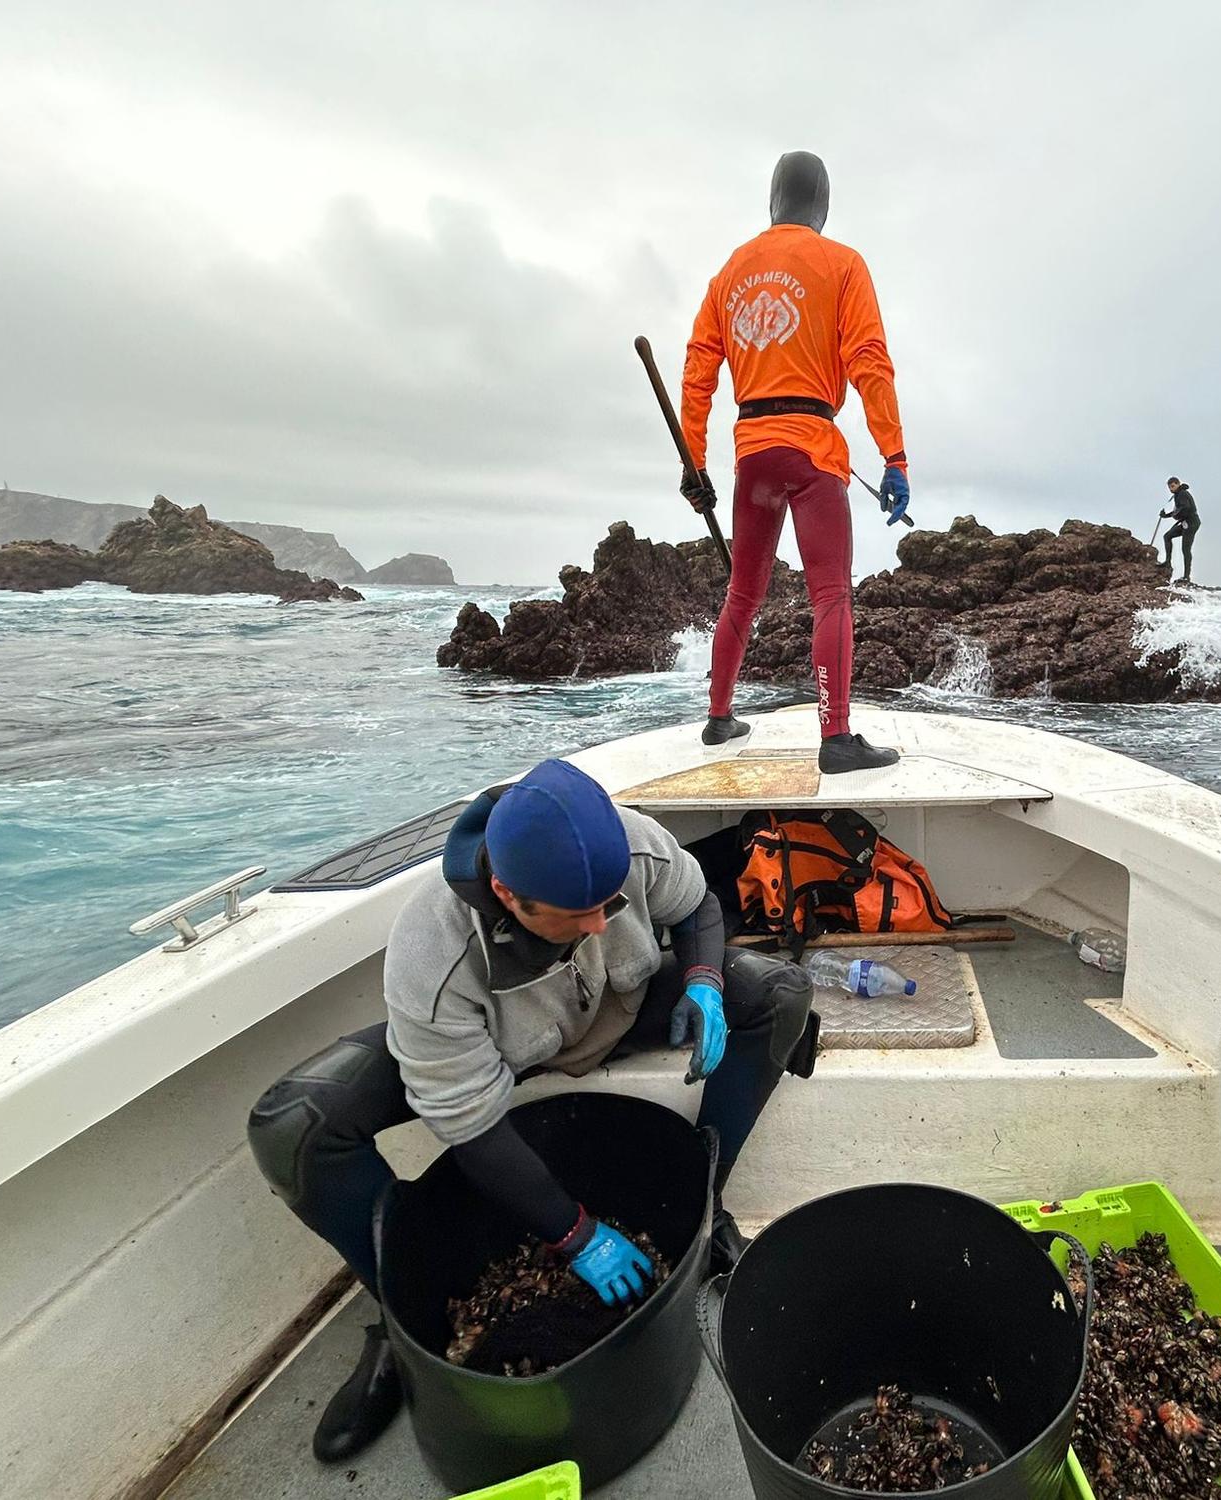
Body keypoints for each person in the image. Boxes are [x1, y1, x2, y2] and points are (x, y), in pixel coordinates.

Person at [246, 759, 815, 1462]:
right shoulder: (432, 954)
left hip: (614, 1006)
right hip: (497, 1050)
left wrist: (702, 981)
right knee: (295, 1126)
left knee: (780, 992)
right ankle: (402, 1328)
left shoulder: (629, 843)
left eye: (611, 906)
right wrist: (575, 1234)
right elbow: (470, 1124)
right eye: (577, 919)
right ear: (509, 894)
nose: (602, 927)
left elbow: (695, 905)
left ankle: (705, 1209)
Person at [679, 150, 909, 775]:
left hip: (753, 454)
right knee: (830, 594)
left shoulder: (732, 269)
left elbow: (699, 368)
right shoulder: (842, 263)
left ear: (773, 201)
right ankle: (836, 737)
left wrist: (694, 462)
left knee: (742, 594)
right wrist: (894, 457)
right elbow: (869, 361)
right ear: (823, 206)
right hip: (811, 453)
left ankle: (719, 717)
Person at [1158, 476, 1201, 584]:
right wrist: (1166, 515)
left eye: (1172, 486)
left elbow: (1185, 508)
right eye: (1169, 488)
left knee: (1185, 549)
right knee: (1167, 536)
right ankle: (1168, 562)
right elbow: (1179, 510)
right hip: (1185, 523)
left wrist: (1170, 515)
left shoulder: (1182, 494)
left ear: (1177, 484)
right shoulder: (1178, 495)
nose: (1171, 489)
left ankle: (1186, 577)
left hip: (1191, 523)